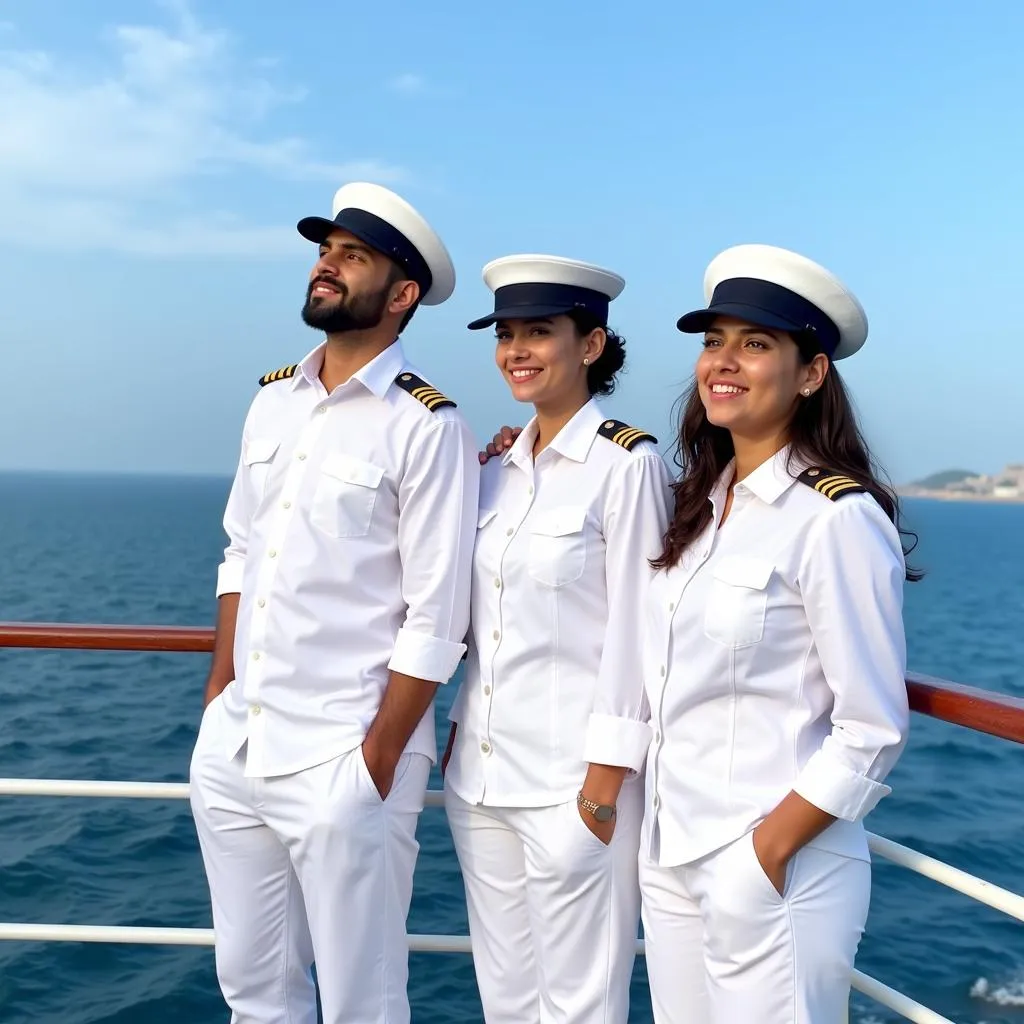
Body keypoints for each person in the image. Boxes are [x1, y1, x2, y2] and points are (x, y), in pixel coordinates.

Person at [188, 182, 480, 1024]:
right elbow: (241, 553)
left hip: (345, 754)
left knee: (363, 1002)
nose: (327, 264)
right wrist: (219, 697)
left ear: (401, 295)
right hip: (242, 740)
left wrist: (375, 764)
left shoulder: (427, 427)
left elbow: (437, 617)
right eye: (326, 249)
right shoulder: (272, 400)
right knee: (254, 992)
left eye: (353, 256)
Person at [640, 244, 915, 1023]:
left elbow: (872, 726)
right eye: (713, 340)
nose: (724, 362)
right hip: (671, 850)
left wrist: (761, 856)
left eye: (755, 344)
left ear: (811, 373)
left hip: (769, 865)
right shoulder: (697, 506)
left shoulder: (835, 518)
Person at [442, 254, 672, 1023]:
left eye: (539, 331)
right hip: (479, 780)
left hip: (575, 786)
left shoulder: (626, 466)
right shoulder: (494, 469)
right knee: (505, 998)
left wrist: (603, 788)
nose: (517, 351)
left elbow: (644, 626)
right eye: (506, 334)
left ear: (592, 346)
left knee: (578, 1006)